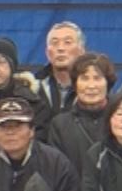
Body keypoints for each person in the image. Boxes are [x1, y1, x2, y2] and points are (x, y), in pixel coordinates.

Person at [45, 53, 115, 181]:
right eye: (84, 78)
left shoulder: (121, 120)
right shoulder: (60, 124)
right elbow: (56, 172)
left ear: (108, 83)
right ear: (75, 83)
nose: (91, 85)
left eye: (97, 78)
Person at [35, 21, 85, 115]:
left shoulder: (92, 86)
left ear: (81, 50)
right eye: (54, 43)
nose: (60, 48)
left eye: (67, 42)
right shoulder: (33, 88)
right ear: (47, 52)